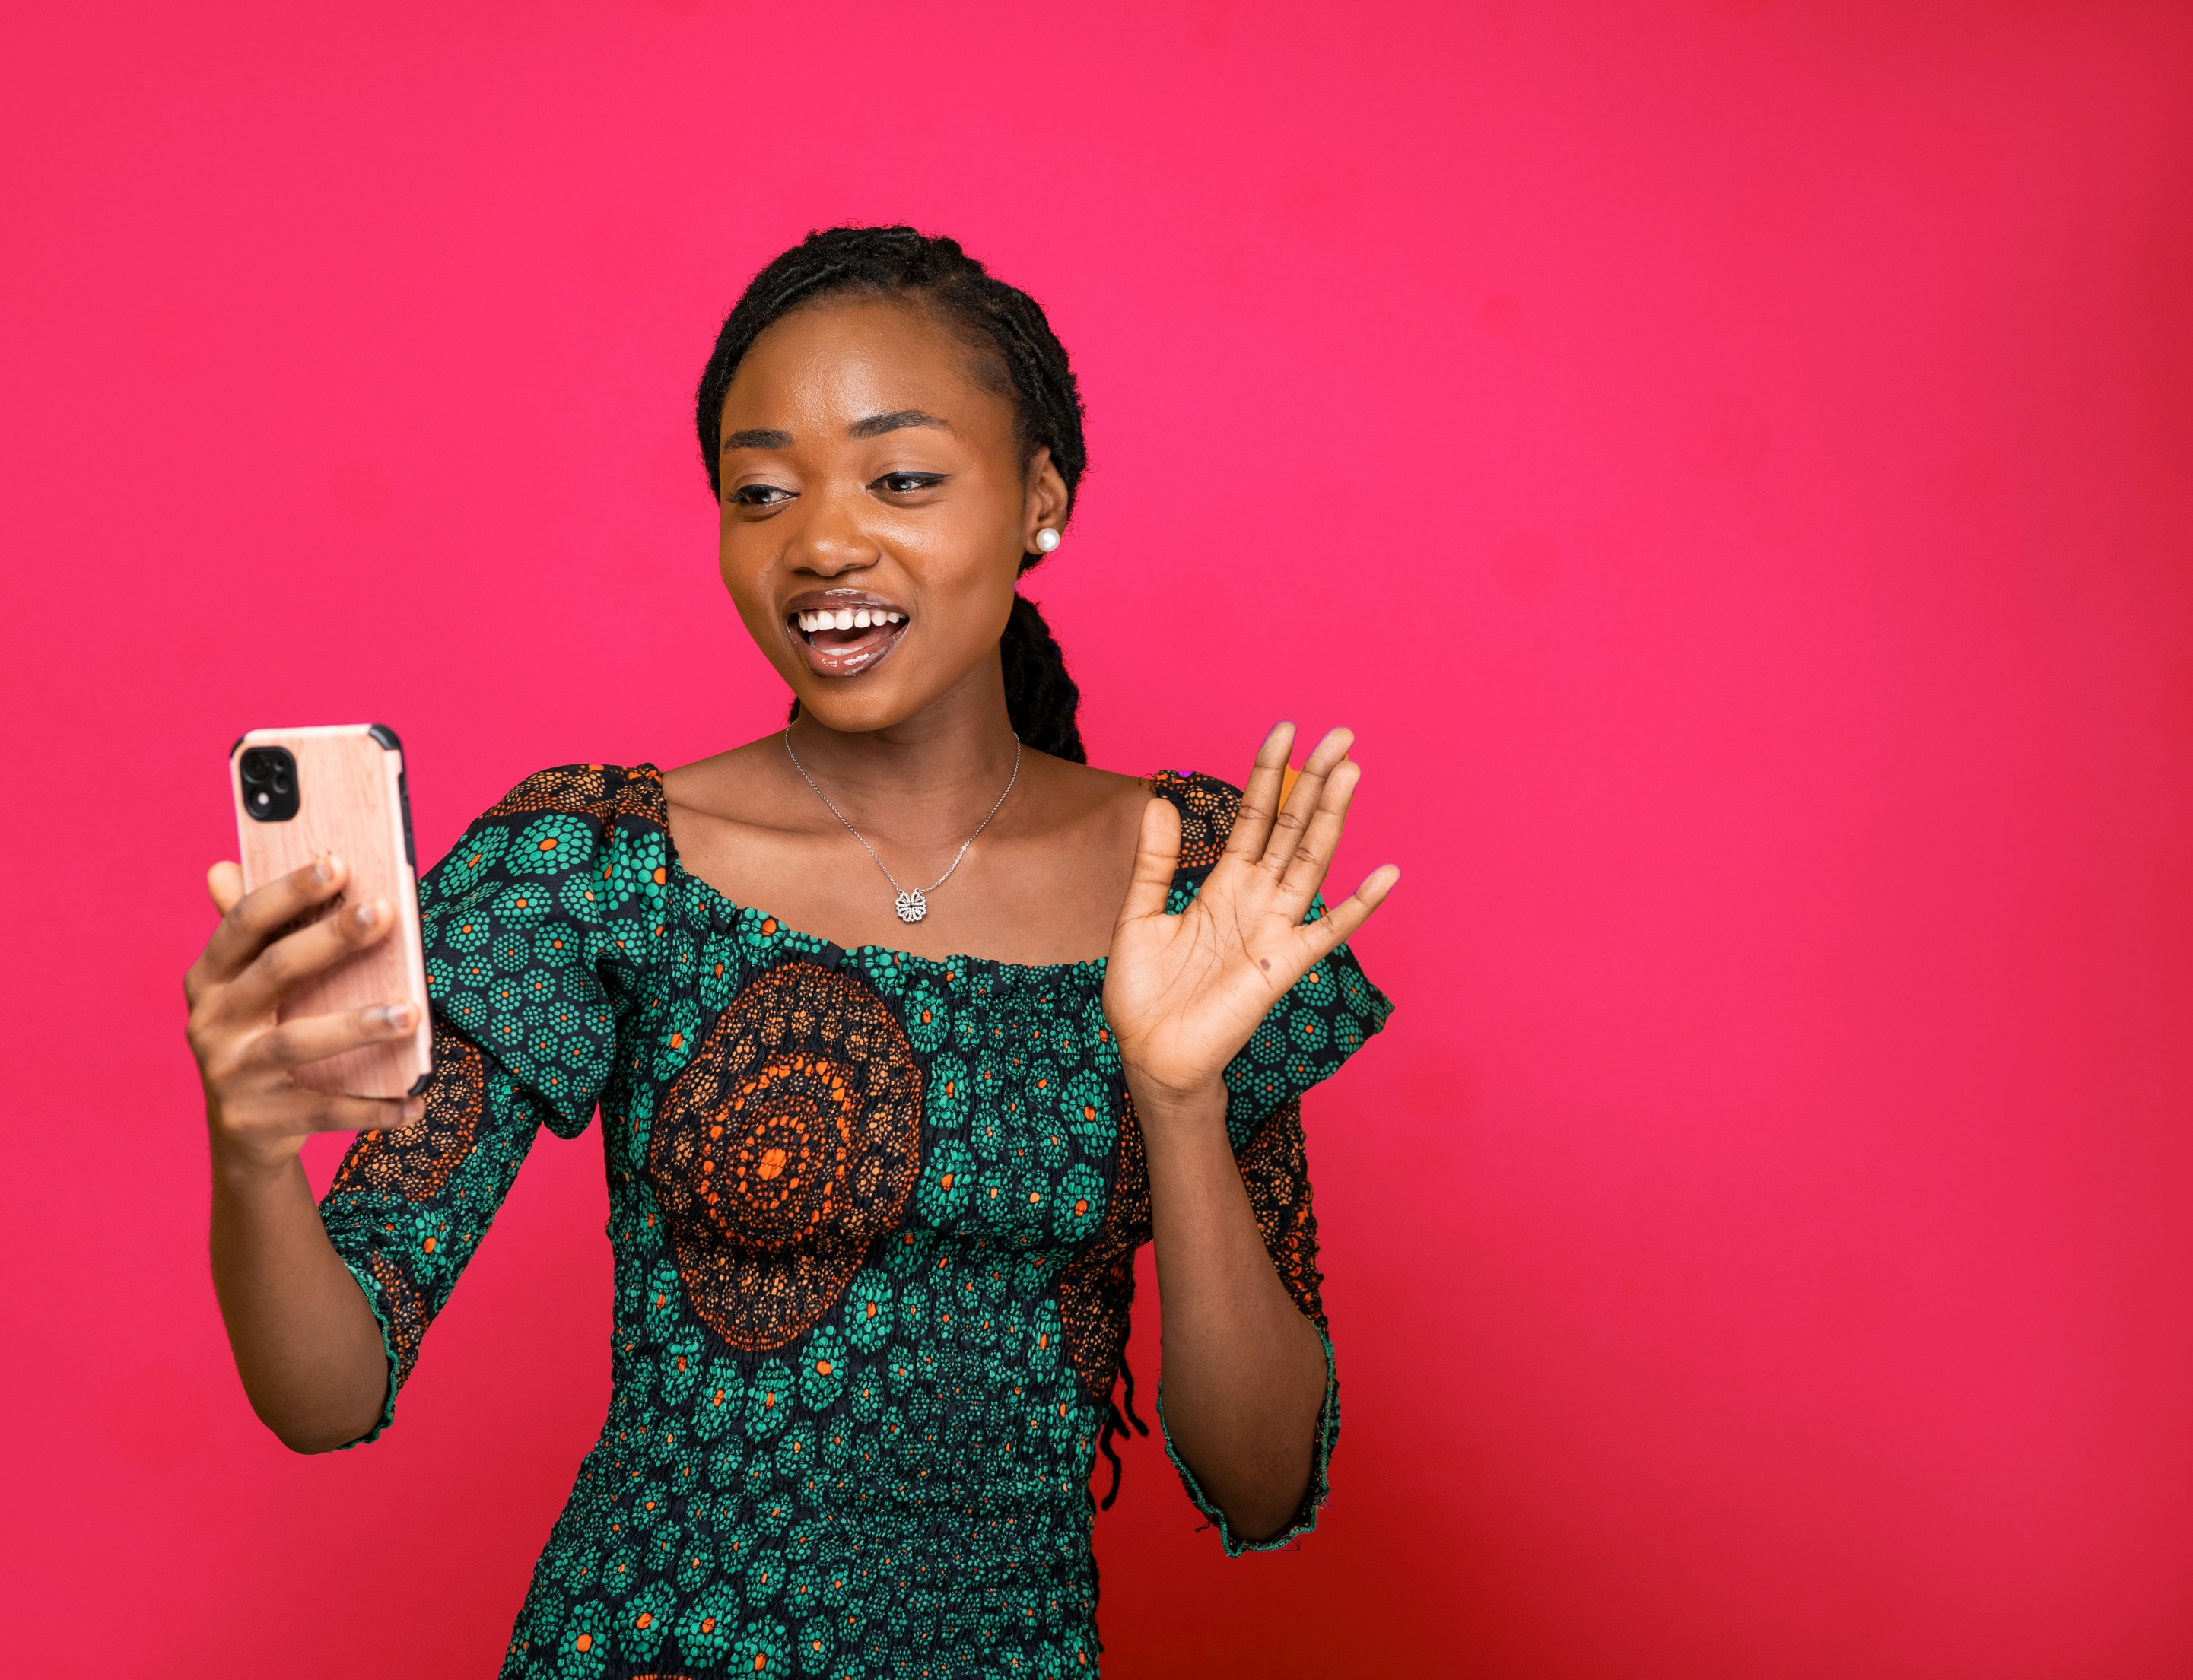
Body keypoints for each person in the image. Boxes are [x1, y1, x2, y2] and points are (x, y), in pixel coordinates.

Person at [183, 225, 1399, 1679]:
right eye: (760, 492)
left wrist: (1180, 1099)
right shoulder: (602, 865)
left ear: (1040, 500)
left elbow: (1260, 1481)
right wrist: (252, 1154)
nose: (820, 542)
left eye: (901, 479)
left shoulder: (1186, 885)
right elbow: (328, 1393)